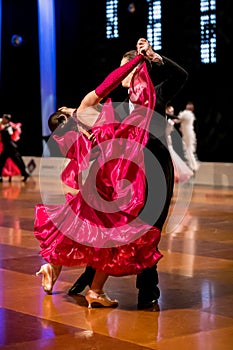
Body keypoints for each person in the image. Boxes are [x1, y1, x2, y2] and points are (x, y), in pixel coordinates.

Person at [35, 39, 162, 308]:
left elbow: (107, 84)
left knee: (83, 230)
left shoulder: (86, 112)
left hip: (96, 182)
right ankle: (95, 291)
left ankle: (54, 269)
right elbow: (121, 88)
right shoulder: (124, 117)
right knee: (110, 237)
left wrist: (138, 62)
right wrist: (139, 62)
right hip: (118, 182)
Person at [67, 38, 189, 309]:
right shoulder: (119, 105)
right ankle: (91, 278)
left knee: (150, 229)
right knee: (115, 225)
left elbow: (182, 76)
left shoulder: (156, 94)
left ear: (139, 68)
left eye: (127, 69)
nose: (122, 74)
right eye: (120, 69)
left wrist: (155, 57)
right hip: (124, 174)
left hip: (155, 168)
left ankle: (148, 291)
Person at [165, 105, 194, 183]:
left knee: (172, 157)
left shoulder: (170, 121)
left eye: (172, 111)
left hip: (167, 139)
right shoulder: (169, 121)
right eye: (170, 111)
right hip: (166, 139)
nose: (172, 113)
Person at [0, 114, 30, 183]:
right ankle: (0, 177)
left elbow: (10, 134)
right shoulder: (4, 126)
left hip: (11, 148)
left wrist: (5, 129)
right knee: (1, 162)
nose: (3, 119)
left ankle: (25, 174)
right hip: (6, 148)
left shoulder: (9, 127)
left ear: (7, 120)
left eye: (4, 118)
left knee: (18, 162)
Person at [177, 101, 199, 172]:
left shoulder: (186, 114)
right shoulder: (190, 115)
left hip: (188, 134)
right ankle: (192, 165)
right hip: (188, 133)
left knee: (189, 149)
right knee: (189, 149)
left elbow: (178, 119)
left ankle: (193, 166)